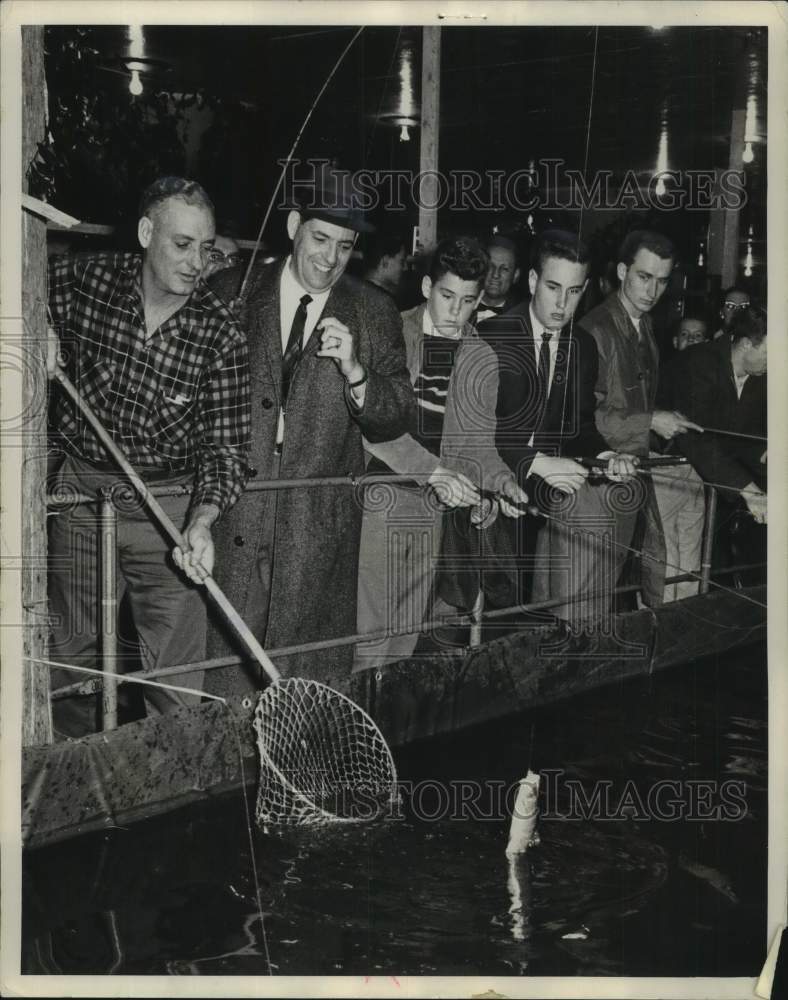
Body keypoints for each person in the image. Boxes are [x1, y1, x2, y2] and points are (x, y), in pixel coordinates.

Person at [46, 176, 251, 737]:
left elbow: (227, 447)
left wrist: (204, 520)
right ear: (144, 233)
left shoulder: (220, 332)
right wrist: (30, 324)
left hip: (169, 509)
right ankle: (69, 783)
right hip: (83, 497)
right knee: (69, 655)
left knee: (178, 678)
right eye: (181, 244)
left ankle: (171, 789)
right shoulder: (85, 280)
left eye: (205, 248)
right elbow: (14, 274)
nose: (196, 262)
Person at [205, 177, 415, 694]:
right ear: (294, 226)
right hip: (235, 502)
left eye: (345, 246)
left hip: (317, 523)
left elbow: (396, 416)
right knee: (229, 664)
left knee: (304, 676)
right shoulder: (232, 292)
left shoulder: (373, 311)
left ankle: (298, 770)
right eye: (321, 239)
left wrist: (357, 373)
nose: (331, 258)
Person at [354, 236, 528, 669]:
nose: (456, 312)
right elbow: (372, 429)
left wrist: (502, 483)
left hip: (434, 504)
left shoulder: (481, 358)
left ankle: (389, 726)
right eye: (448, 297)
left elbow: (477, 448)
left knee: (408, 636)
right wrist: (434, 472)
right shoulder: (390, 331)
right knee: (369, 637)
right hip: (381, 496)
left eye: (468, 302)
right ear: (428, 287)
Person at [481, 230, 637, 628]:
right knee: (501, 612)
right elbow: (475, 433)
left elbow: (579, 427)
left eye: (573, 291)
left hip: (546, 486)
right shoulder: (490, 337)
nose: (562, 303)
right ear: (533, 281)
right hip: (491, 475)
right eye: (552, 288)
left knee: (603, 512)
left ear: (584, 290)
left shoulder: (582, 345)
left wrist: (608, 456)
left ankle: (576, 639)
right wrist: (536, 462)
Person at [577, 229, 702, 607]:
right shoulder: (595, 330)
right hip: (597, 484)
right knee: (586, 599)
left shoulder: (645, 328)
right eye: (644, 277)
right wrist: (649, 420)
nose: (652, 290)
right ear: (621, 271)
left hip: (631, 479)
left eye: (662, 281)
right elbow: (585, 419)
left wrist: (663, 420)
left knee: (617, 595)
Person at [475, 235, 522, 323]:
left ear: (515, 275)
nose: (495, 275)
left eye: (504, 269)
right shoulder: (461, 305)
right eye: (490, 266)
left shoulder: (523, 317)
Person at [363, 229, 408, 303]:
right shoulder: (380, 299)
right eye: (402, 261)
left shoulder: (362, 287)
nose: (405, 268)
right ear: (385, 261)